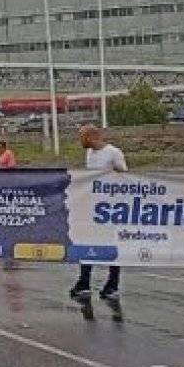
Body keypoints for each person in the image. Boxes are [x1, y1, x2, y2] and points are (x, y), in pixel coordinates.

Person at [70, 125, 127, 301]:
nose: (80, 141)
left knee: (110, 245)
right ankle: (84, 282)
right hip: (92, 207)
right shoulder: (89, 154)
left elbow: (125, 176)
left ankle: (112, 285)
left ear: (91, 136)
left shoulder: (113, 152)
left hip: (110, 208)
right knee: (87, 244)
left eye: (82, 137)